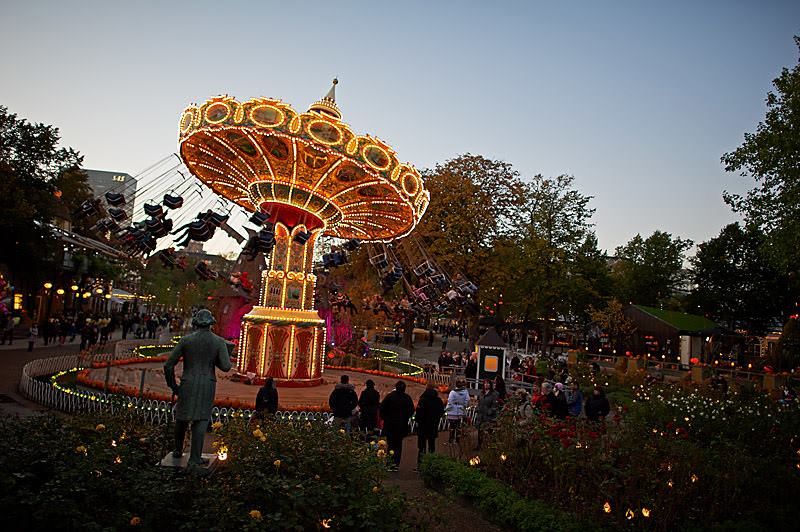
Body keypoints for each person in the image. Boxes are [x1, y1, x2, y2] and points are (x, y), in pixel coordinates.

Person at [164, 309, 232, 469]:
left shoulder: (186, 340)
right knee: (201, 420)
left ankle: (177, 450)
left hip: (188, 382)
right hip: (207, 383)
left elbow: (168, 365)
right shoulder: (218, 342)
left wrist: (173, 385)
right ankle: (195, 458)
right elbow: (226, 367)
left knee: (182, 417)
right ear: (211, 324)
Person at [379, 381, 415, 471]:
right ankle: (396, 464)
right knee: (398, 445)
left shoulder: (390, 397)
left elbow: (382, 408)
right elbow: (411, 411)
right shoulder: (407, 398)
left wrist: (385, 418)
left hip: (390, 424)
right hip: (401, 425)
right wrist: (405, 417)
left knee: (390, 444)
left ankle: (389, 463)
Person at [414, 383, 444, 470]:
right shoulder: (438, 400)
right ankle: (431, 464)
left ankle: (420, 465)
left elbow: (419, 413)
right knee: (432, 445)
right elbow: (441, 412)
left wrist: (418, 421)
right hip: (433, 425)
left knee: (421, 447)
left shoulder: (423, 399)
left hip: (422, 426)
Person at [474, 380, 499, 450]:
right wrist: (477, 409)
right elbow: (478, 403)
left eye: (487, 383)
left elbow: (495, 405)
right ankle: (479, 446)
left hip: (489, 416)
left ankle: (491, 446)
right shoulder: (481, 393)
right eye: (485, 383)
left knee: (490, 431)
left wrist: (490, 411)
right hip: (481, 415)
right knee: (480, 431)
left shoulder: (494, 394)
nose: (486, 385)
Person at [445, 379, 470, 444]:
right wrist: (463, 407)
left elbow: (450, 402)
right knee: (458, 426)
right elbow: (467, 401)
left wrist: (447, 409)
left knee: (452, 427)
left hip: (452, 412)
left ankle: (451, 441)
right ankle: (457, 440)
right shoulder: (465, 392)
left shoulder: (453, 392)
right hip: (460, 411)